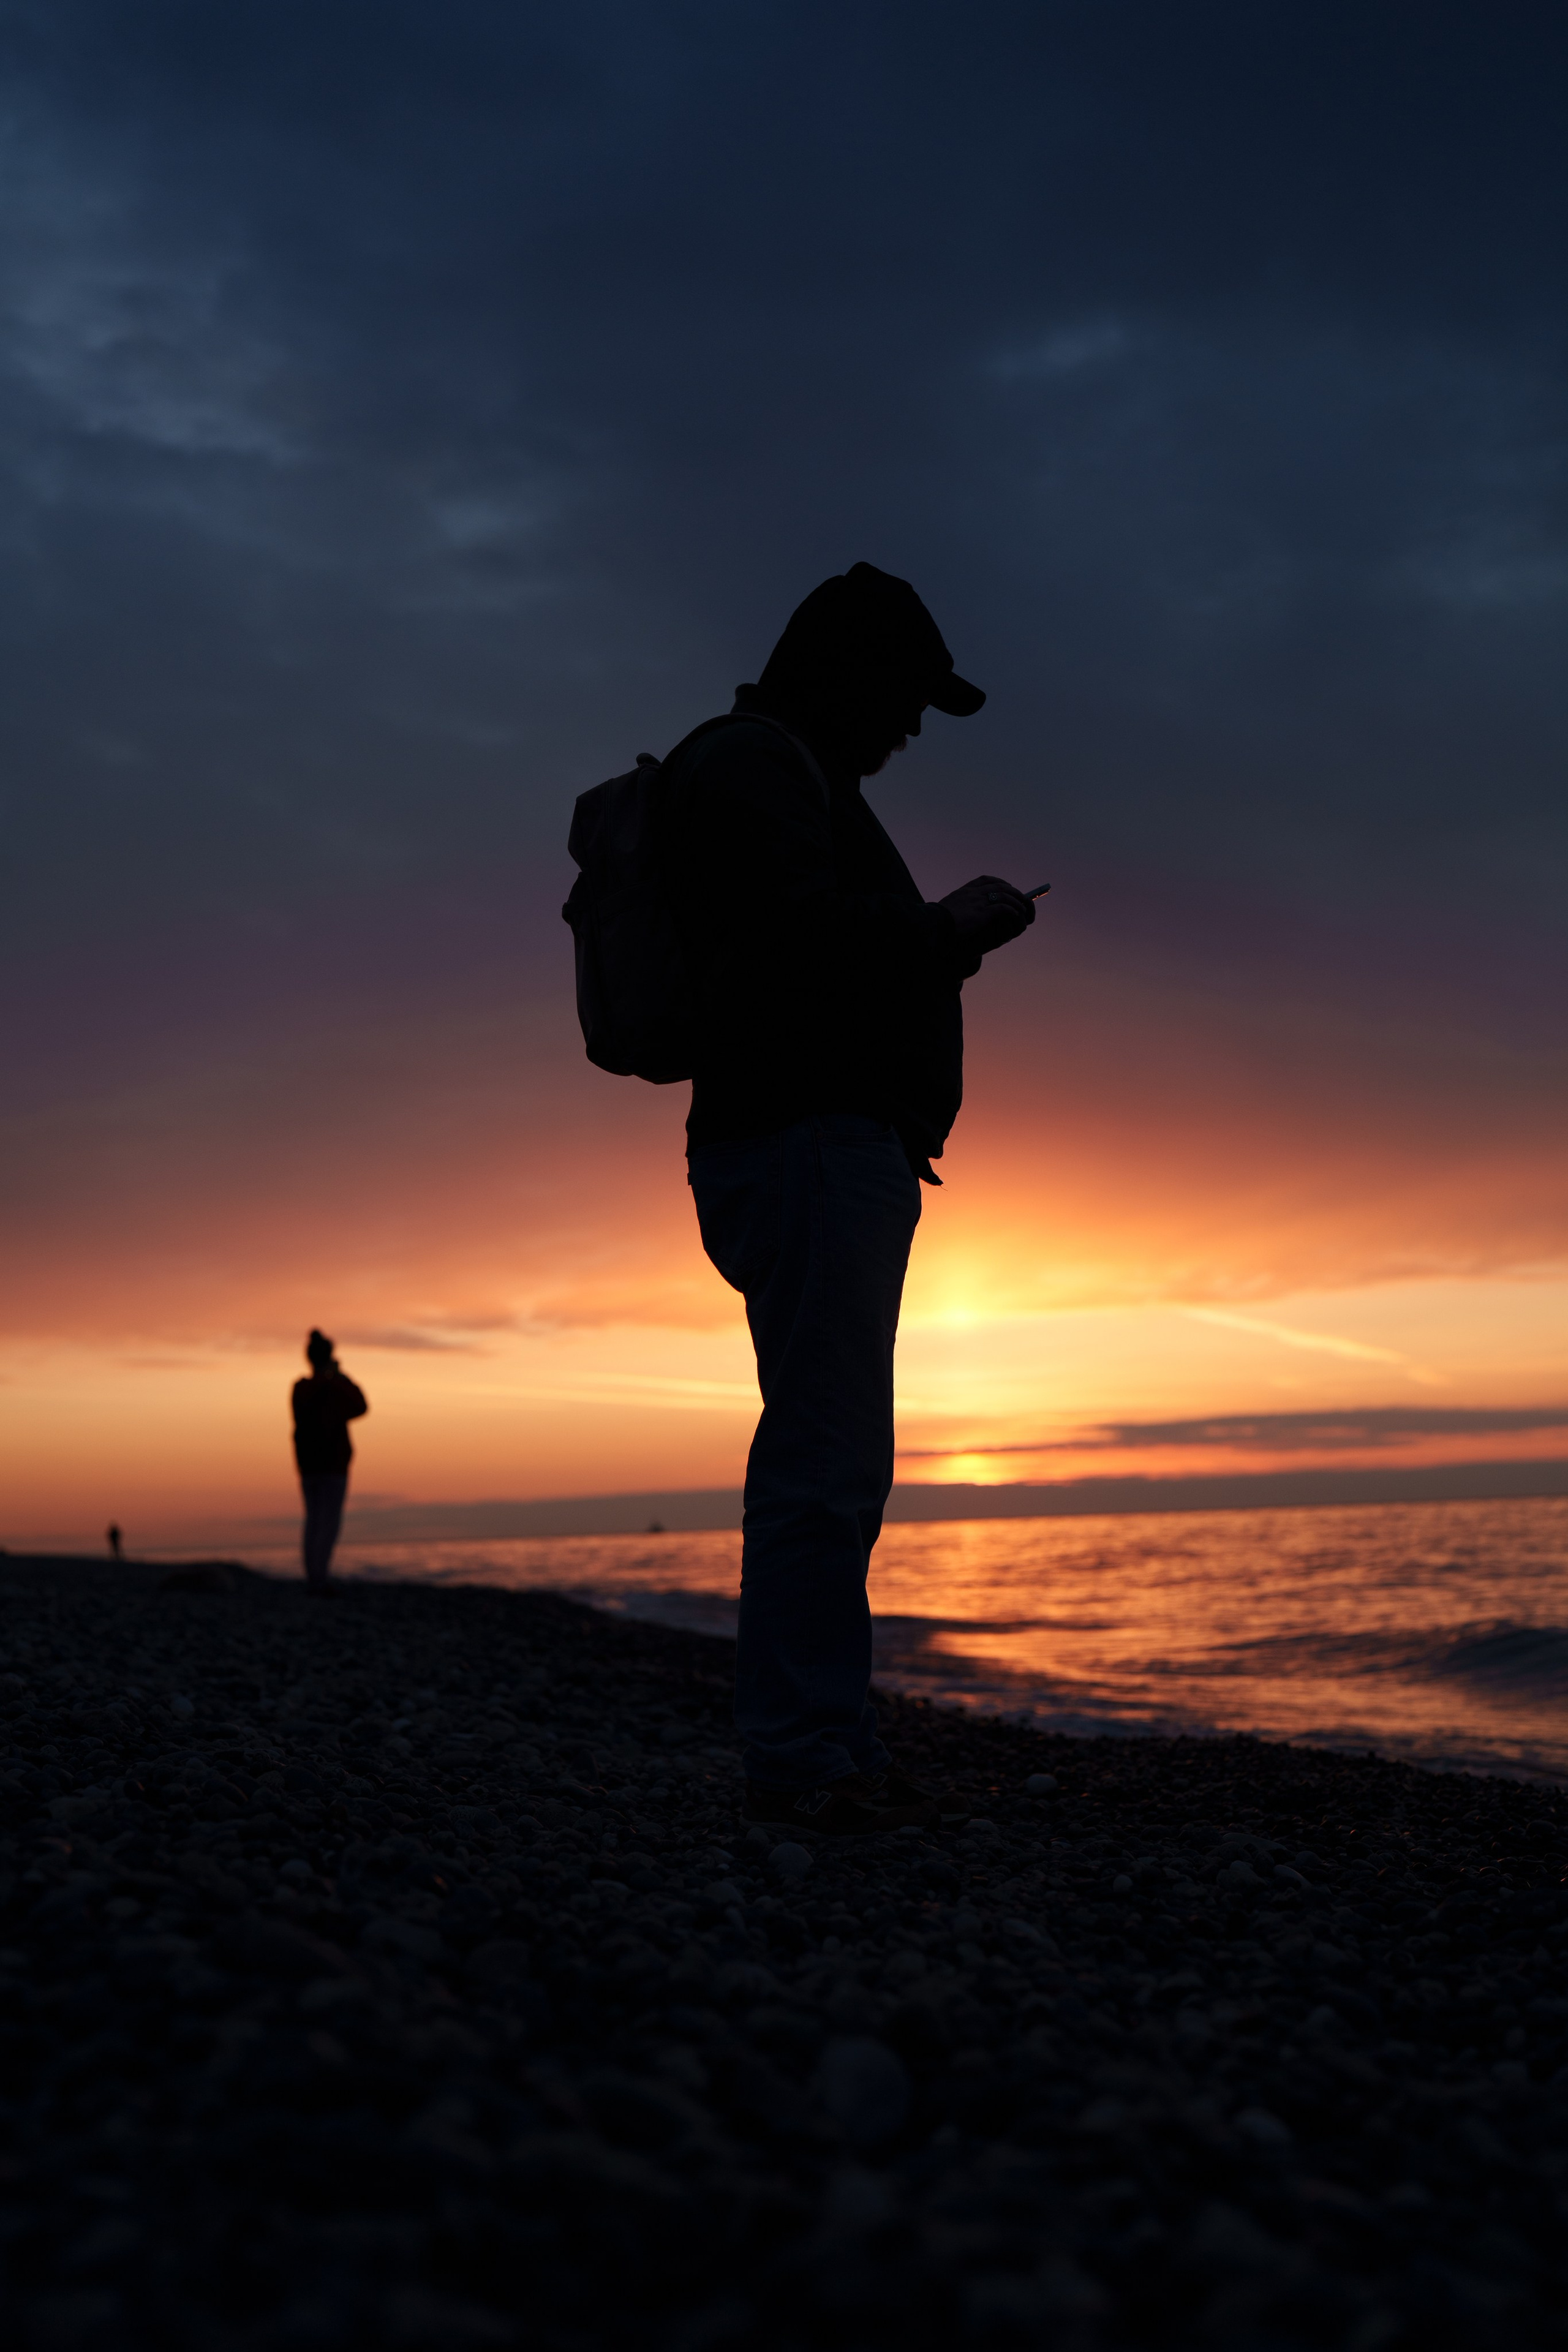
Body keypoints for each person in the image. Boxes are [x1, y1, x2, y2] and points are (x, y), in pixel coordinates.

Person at [671, 562, 1038, 1836]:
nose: (914, 727)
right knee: (823, 1463)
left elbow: (802, 950)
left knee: (832, 1455)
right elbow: (799, 955)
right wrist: (952, 931)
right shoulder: (764, 766)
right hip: (808, 1143)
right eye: (907, 696)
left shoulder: (785, 772)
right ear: (850, 672)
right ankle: (803, 1757)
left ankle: (823, 1739)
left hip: (816, 1143)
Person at [290, 1330, 368, 1586]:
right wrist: (338, 1376)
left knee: (314, 1520)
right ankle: (318, 1578)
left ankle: (315, 1575)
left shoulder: (302, 1389)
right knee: (326, 1522)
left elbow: (359, 1407)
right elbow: (360, 1405)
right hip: (330, 1466)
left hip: (311, 1466)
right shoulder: (320, 1388)